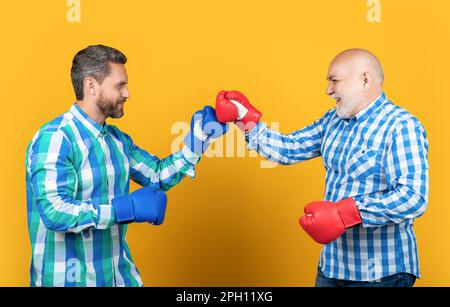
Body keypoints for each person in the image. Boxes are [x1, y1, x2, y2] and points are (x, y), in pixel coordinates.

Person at [215, 49, 429, 287]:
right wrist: (244, 118)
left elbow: (413, 198)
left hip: (382, 273)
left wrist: (346, 213)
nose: (328, 90)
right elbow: (288, 148)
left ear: (365, 80)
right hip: (332, 267)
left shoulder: (401, 126)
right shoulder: (333, 120)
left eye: (334, 80)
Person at [25, 45, 228, 287]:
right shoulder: (56, 138)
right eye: (119, 85)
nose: (127, 93)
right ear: (91, 86)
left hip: (119, 279)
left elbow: (158, 176)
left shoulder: (117, 140)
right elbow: (54, 212)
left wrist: (198, 139)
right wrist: (124, 208)